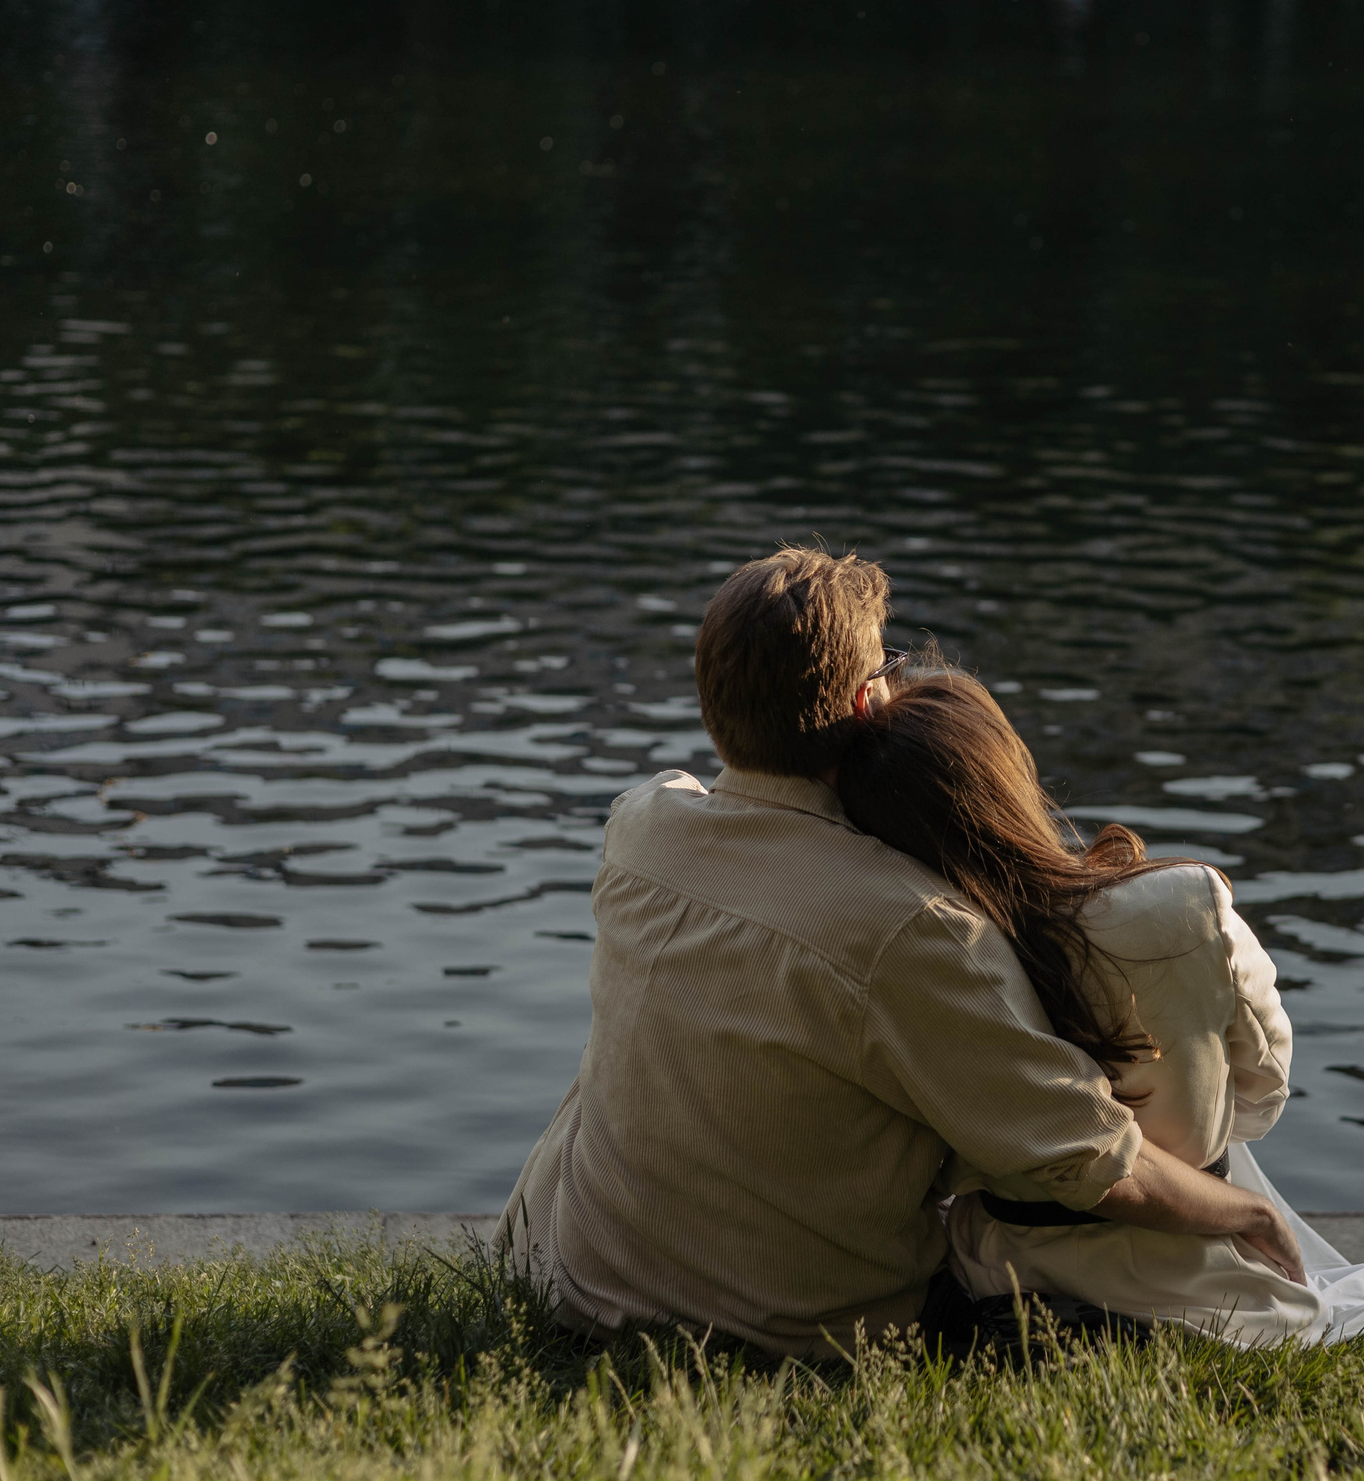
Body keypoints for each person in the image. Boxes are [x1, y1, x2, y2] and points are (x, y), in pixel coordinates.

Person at [495, 548, 1301, 1358]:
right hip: (776, 1333)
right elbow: (1088, 1157)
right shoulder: (909, 925)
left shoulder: (640, 826)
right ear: (863, 699)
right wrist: (1250, 1212)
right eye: (890, 665)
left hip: (575, 1281)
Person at [839, 670, 1364, 1345]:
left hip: (1003, 1273)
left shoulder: (918, 957)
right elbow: (1263, 1094)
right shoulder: (1183, 905)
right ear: (1008, 767)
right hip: (1201, 1275)